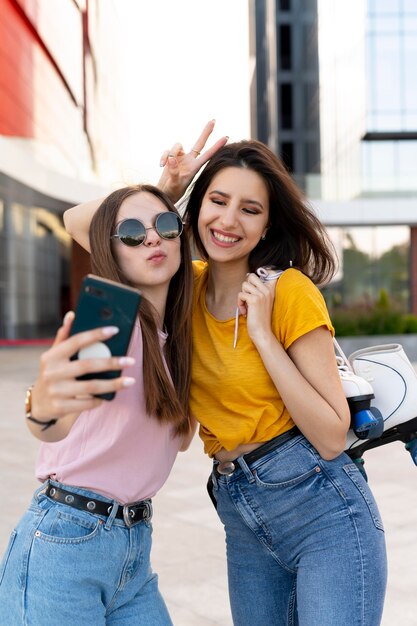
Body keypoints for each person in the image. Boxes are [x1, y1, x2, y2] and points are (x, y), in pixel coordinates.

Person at [64, 125, 388, 626]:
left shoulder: (289, 292)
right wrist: (164, 191)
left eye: (250, 209)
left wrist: (261, 334)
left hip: (324, 512)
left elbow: (330, 436)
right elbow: (77, 221)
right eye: (218, 200)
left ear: (266, 226)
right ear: (196, 209)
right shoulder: (180, 287)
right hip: (240, 511)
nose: (229, 220)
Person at [0, 184, 196, 626]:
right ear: (110, 250)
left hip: (133, 553)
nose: (152, 239)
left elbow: (180, 443)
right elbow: (54, 421)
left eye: (166, 225)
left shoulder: (180, 341)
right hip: (65, 544)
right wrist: (43, 406)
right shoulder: (110, 319)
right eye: (130, 232)